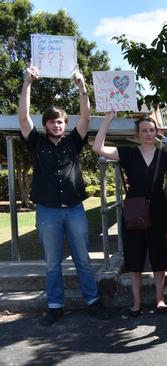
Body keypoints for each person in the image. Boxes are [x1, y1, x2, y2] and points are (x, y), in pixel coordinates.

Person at [18, 65, 109, 326]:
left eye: (60, 121)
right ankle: (55, 306)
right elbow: (24, 117)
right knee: (51, 262)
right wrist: (28, 83)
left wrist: (81, 86)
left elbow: (87, 117)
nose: (56, 125)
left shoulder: (73, 142)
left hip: (74, 209)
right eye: (52, 121)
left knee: (82, 258)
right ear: (45, 124)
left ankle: (92, 301)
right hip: (47, 210)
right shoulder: (36, 142)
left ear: (64, 124)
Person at [93, 112, 167, 316]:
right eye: (144, 130)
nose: (148, 133)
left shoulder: (165, 156)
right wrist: (108, 120)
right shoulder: (127, 153)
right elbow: (97, 148)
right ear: (138, 134)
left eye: (151, 130)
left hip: (158, 211)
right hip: (134, 211)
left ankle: (160, 299)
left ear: (157, 133)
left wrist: (160, 200)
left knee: (159, 256)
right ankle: (136, 302)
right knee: (134, 258)